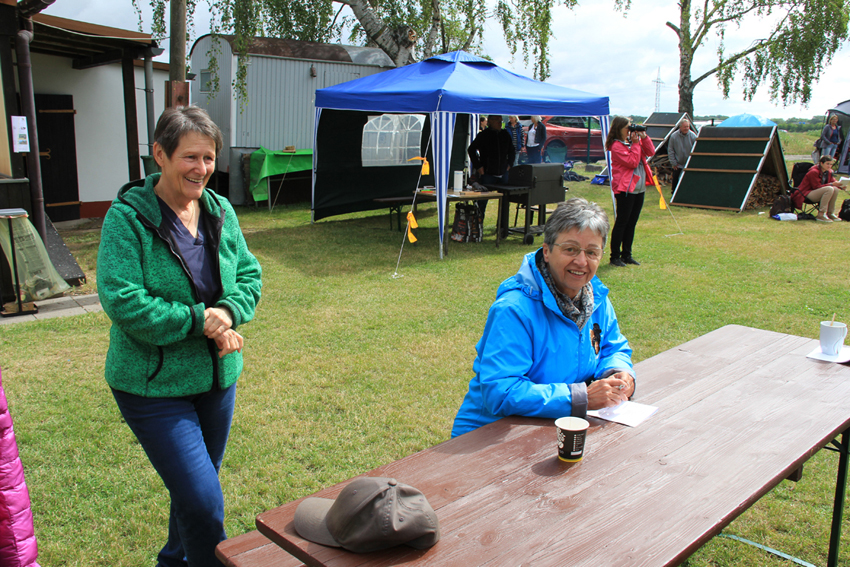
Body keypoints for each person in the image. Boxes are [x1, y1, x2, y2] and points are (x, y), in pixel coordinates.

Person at [97, 106, 263, 566]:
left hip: (217, 383)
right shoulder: (126, 220)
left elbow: (249, 274)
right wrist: (198, 320)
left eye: (209, 158)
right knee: (204, 503)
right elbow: (122, 299)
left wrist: (228, 311)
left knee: (193, 494)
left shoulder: (219, 210)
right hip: (153, 388)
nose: (202, 169)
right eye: (191, 157)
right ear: (159, 155)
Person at [451, 198, 635, 438]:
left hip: (555, 428)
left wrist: (618, 373)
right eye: (570, 249)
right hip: (489, 436)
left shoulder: (595, 297)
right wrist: (581, 397)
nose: (581, 261)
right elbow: (501, 391)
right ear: (547, 251)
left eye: (592, 252)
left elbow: (613, 347)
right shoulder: (514, 309)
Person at [606, 116, 655, 267]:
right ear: (619, 128)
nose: (630, 129)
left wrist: (643, 138)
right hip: (625, 189)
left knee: (632, 223)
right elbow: (633, 162)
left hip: (638, 188)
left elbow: (651, 151)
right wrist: (635, 144)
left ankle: (627, 254)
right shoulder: (616, 146)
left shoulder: (632, 143)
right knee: (622, 222)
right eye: (627, 126)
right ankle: (615, 256)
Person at [467, 114, 515, 217]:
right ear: (490, 121)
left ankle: (503, 227)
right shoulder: (483, 135)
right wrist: (478, 166)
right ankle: (478, 224)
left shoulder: (505, 134)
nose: (499, 123)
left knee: (505, 201)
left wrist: (509, 164)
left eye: (501, 120)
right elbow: (471, 149)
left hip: (503, 173)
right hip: (487, 174)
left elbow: (512, 151)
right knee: (482, 202)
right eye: (497, 120)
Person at [791, 155, 846, 222]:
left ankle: (830, 213)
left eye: (831, 164)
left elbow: (833, 181)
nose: (829, 166)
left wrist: (840, 185)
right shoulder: (813, 172)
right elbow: (816, 186)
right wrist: (831, 184)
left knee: (836, 189)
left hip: (818, 192)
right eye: (827, 164)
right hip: (806, 193)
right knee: (829, 188)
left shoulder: (829, 172)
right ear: (821, 163)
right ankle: (821, 214)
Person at [667, 119, 696, 195]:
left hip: (689, 163)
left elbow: (696, 150)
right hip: (678, 163)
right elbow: (670, 150)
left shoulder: (693, 136)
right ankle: (674, 194)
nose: (686, 128)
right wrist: (673, 162)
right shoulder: (674, 136)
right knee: (676, 179)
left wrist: (692, 163)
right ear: (680, 127)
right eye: (684, 127)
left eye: (688, 126)